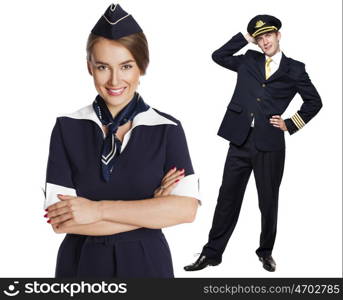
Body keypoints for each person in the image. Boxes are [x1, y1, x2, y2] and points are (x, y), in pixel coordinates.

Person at [43, 3, 199, 278]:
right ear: (89, 67)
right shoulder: (67, 127)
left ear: (142, 67)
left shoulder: (167, 128)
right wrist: (151, 208)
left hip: (148, 266)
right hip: (81, 267)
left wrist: (96, 210)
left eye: (126, 66)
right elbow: (61, 222)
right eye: (103, 66)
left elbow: (185, 210)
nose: (115, 80)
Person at [184, 14, 322, 272]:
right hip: (239, 141)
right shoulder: (249, 59)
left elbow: (315, 102)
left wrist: (290, 123)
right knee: (227, 198)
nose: (264, 41)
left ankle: (266, 251)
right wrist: (246, 38)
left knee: (268, 201)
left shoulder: (295, 69)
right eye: (259, 38)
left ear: (278, 35)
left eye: (268, 35)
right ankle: (212, 253)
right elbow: (219, 56)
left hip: (269, 145)